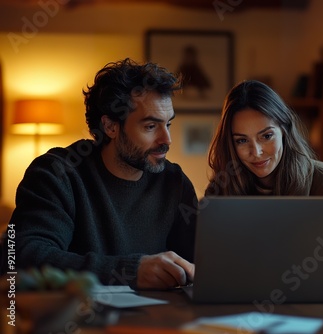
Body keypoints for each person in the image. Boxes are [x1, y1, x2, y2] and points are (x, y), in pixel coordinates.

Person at [1, 59, 197, 289]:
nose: (167, 140)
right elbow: (21, 256)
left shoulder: (174, 182)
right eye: (150, 127)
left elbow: (201, 261)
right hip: (77, 319)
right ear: (110, 126)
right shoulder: (57, 174)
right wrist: (129, 271)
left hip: (159, 321)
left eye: (168, 124)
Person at [205, 80, 323, 196]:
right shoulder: (219, 191)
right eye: (242, 140)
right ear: (230, 143)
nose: (257, 152)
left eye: (266, 136)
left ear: (284, 130)